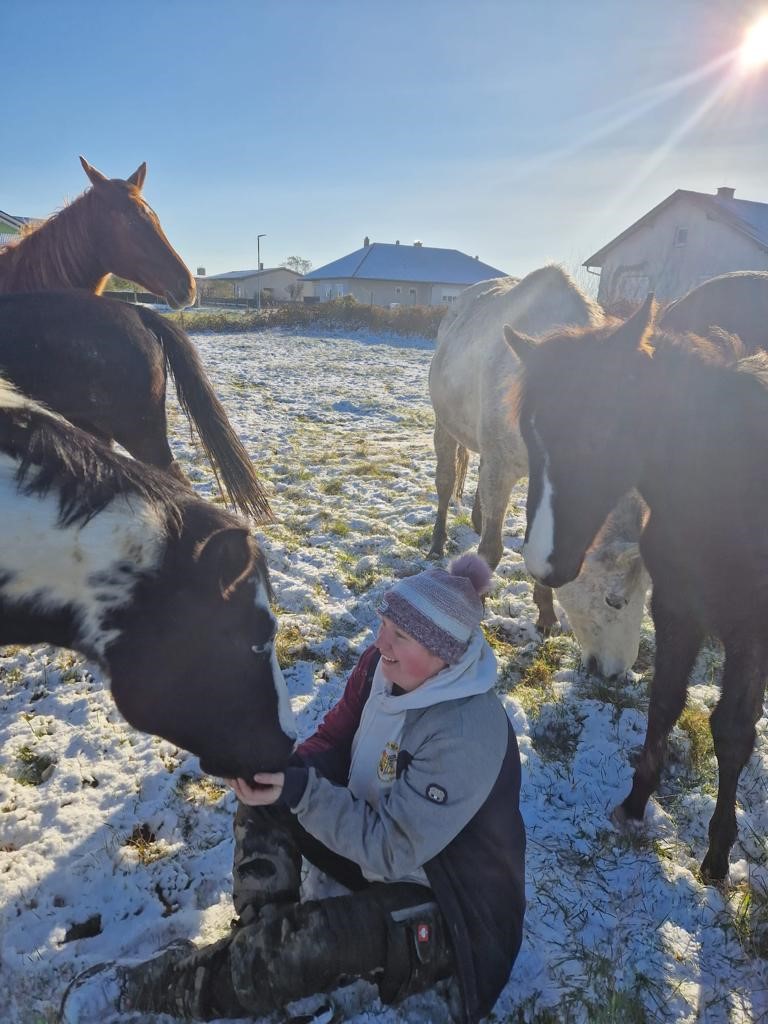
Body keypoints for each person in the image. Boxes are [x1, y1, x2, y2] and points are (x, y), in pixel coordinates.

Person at [60, 554, 526, 1024]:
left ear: (444, 652)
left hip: (443, 903)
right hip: (368, 843)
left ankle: (156, 987)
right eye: (384, 624)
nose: (381, 641)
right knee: (264, 798)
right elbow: (336, 737)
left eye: (399, 636)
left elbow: (392, 848)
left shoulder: (465, 731)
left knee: (311, 943)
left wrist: (301, 792)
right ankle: (262, 946)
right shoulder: (383, 667)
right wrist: (277, 776)